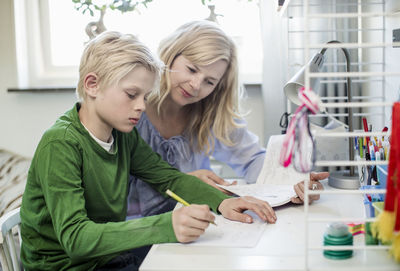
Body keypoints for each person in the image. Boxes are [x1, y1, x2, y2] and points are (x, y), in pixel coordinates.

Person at [20, 31, 277, 271]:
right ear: (92, 85)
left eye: (145, 96)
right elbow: (76, 239)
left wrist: (224, 202)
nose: (142, 106)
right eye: (132, 94)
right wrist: (167, 226)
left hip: (107, 257)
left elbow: (168, 178)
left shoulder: (122, 136)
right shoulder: (61, 144)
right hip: (63, 266)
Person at [127, 20, 328, 218]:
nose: (196, 85)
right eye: (192, 69)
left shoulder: (209, 112)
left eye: (209, 81)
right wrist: (185, 182)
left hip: (198, 221)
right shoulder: (131, 108)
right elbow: (115, 185)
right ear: (170, 56)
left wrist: (295, 180)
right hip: (138, 229)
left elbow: (252, 160)